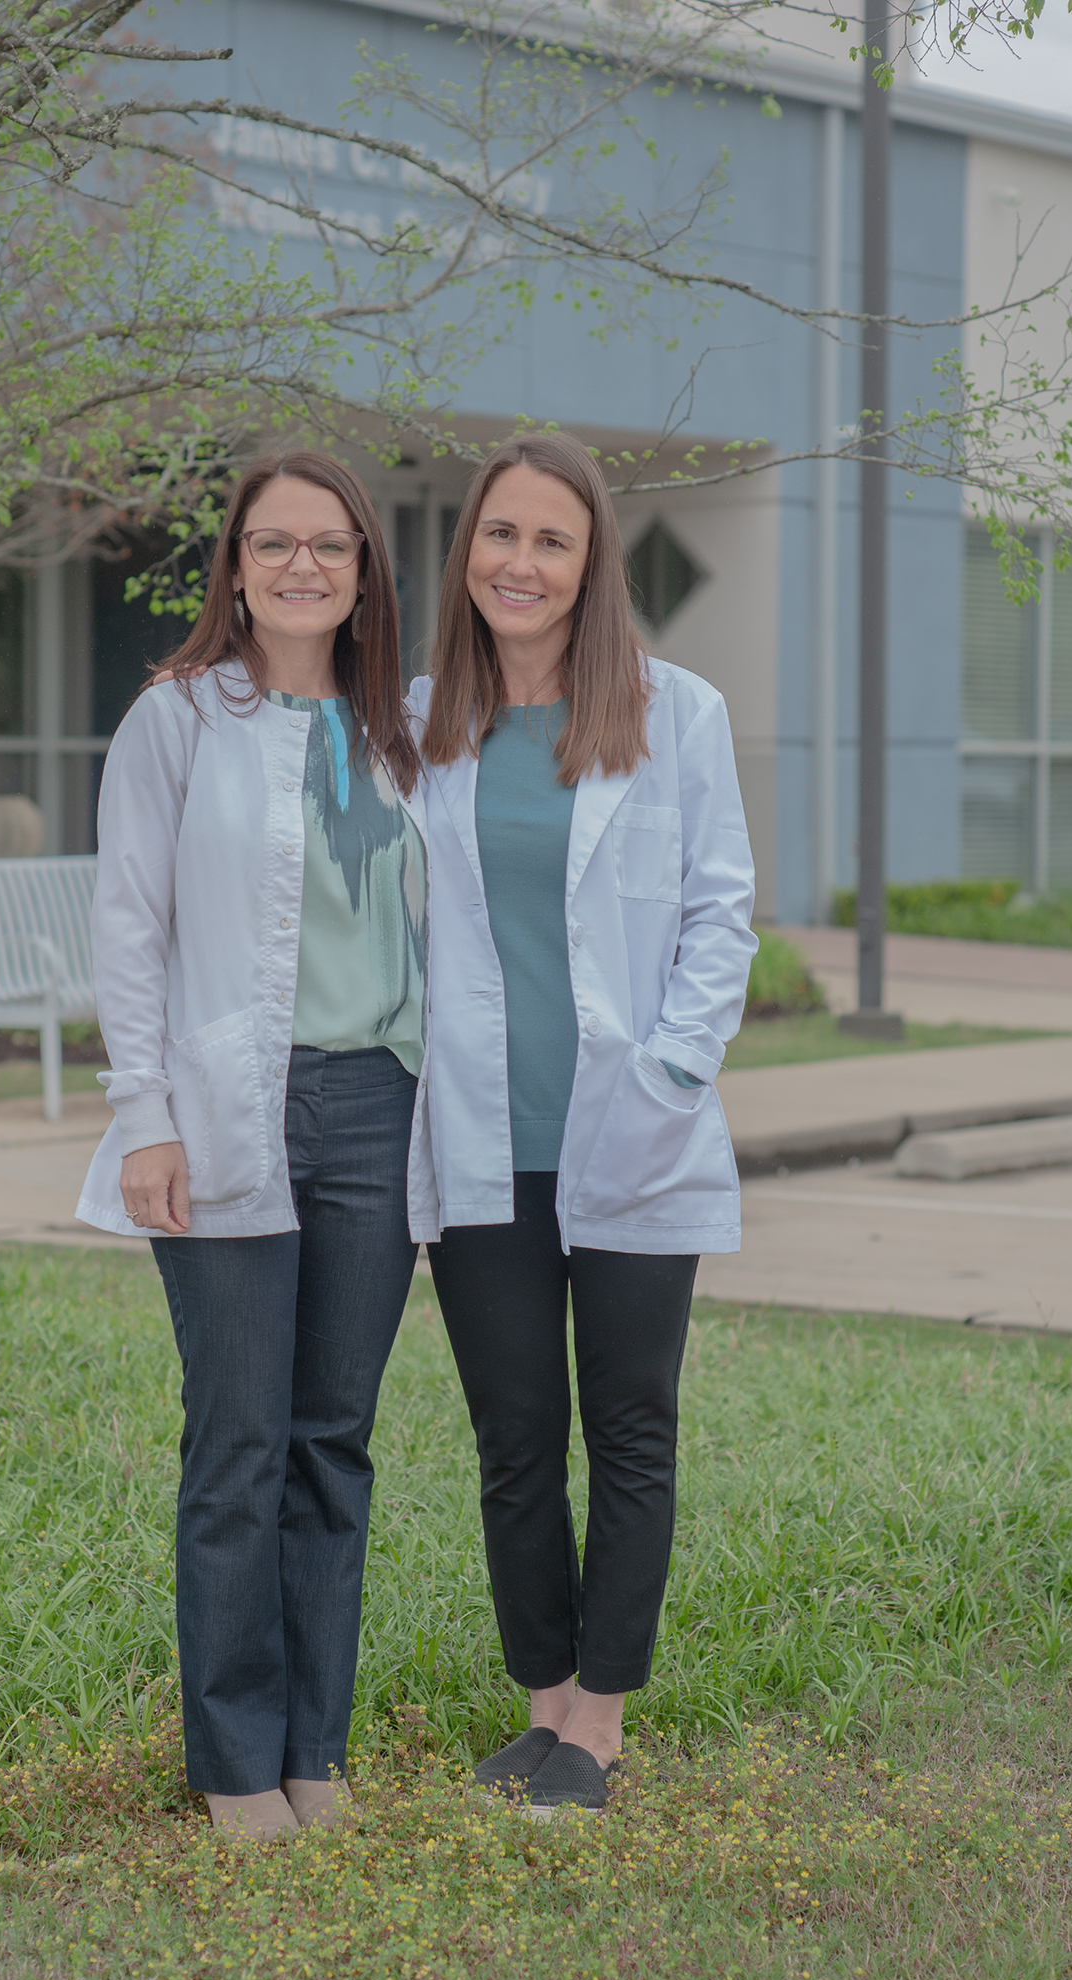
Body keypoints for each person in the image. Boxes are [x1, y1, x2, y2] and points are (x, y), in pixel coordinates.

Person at [76, 449, 426, 1842]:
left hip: (376, 1113)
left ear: (361, 571)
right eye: (273, 544)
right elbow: (128, 926)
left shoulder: (404, 730)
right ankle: (234, 1766)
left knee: (333, 1445)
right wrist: (141, 1116)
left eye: (329, 547)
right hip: (227, 1109)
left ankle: (313, 1753)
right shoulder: (176, 722)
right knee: (238, 1447)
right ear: (233, 565)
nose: (301, 568)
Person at [406, 432, 756, 1816]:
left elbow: (723, 907)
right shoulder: (424, 718)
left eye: (553, 540)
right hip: (483, 1140)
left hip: (628, 1129)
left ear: (592, 561)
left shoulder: (678, 711)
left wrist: (672, 1072)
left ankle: (598, 1726)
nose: (523, 562)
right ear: (468, 553)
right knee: (510, 1431)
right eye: (501, 536)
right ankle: (541, 1702)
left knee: (627, 1426)